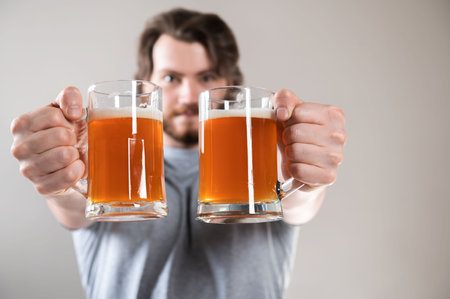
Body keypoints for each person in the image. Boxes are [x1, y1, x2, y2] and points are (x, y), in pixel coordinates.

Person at [10, 8, 346, 299]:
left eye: (207, 77)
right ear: (146, 86)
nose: (189, 95)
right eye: (171, 77)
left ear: (230, 83)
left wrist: (307, 181)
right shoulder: (102, 163)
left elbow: (297, 204)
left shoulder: (261, 162)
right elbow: (72, 203)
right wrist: (59, 175)